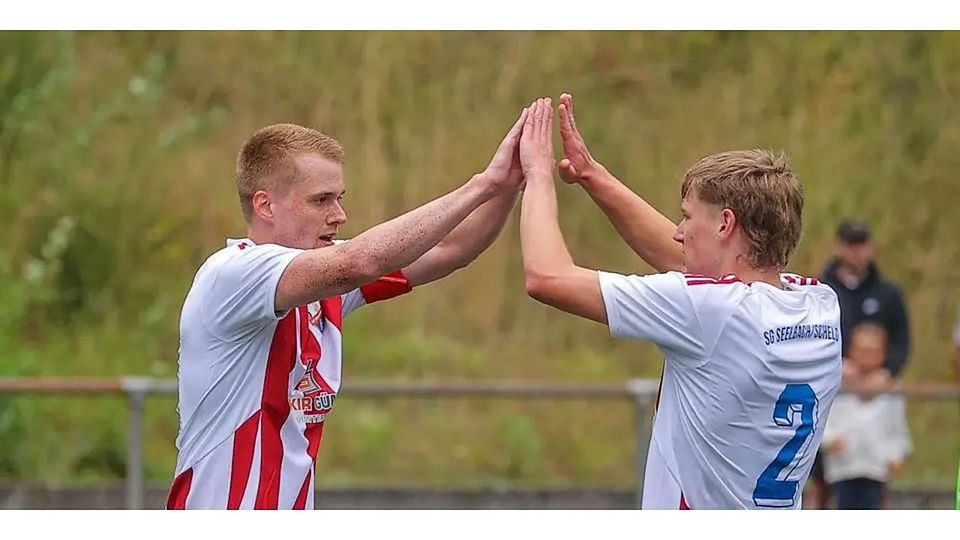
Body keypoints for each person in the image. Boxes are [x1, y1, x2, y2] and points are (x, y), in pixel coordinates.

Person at [167, 110, 529, 510]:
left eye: (339, 198)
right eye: (321, 200)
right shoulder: (234, 273)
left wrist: (508, 186)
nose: (339, 215)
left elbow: (451, 248)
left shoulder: (322, 278)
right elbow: (359, 263)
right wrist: (483, 184)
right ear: (265, 206)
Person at [517, 95, 842, 509]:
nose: (677, 232)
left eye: (687, 217)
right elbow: (692, 267)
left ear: (725, 223)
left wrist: (539, 174)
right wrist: (592, 176)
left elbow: (547, 277)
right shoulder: (819, 303)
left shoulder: (711, 312)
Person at [808, 219, 911, 508]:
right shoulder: (821, 291)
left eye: (862, 244)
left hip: (874, 396)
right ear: (840, 246)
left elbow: (902, 341)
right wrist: (838, 365)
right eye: (851, 245)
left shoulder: (888, 295)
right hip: (833, 393)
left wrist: (886, 371)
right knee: (821, 481)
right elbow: (809, 335)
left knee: (875, 484)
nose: (857, 252)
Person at [821, 323, 912, 510]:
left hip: (876, 468)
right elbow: (823, 422)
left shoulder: (891, 390)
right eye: (862, 350)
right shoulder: (836, 385)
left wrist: (896, 454)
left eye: (873, 351)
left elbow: (897, 429)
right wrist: (830, 440)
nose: (867, 356)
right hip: (844, 468)